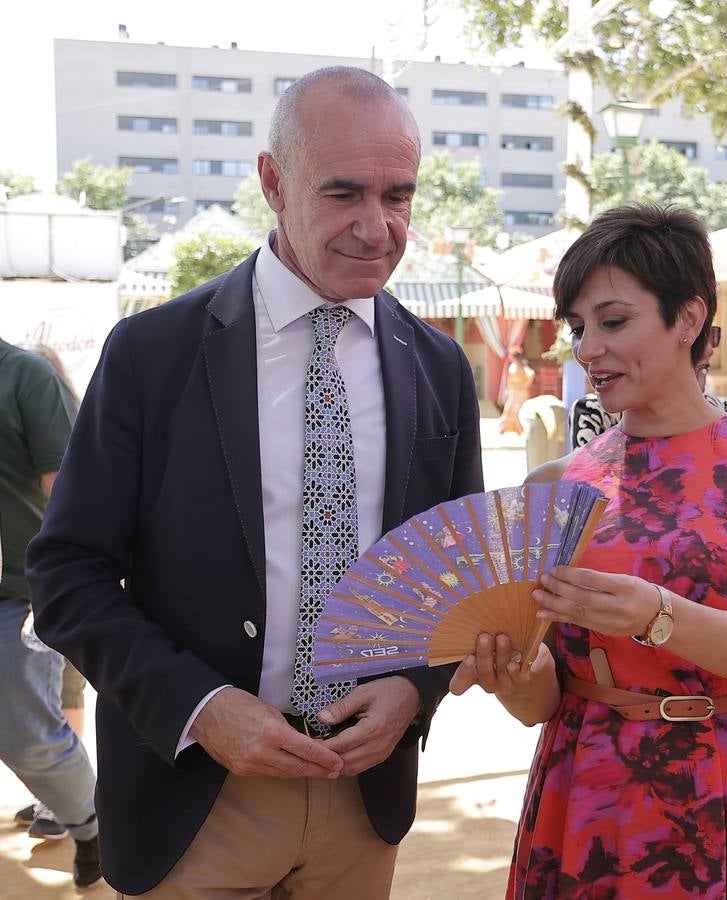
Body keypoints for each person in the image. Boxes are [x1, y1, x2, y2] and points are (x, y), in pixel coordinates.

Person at [27, 66, 483, 898]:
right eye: (344, 192)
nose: (377, 227)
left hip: (362, 801)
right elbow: (66, 577)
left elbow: (449, 577)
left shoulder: (440, 367)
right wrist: (202, 708)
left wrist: (412, 691)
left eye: (399, 196)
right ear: (273, 181)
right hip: (195, 801)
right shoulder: (150, 354)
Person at [450, 204, 727, 897]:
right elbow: (542, 702)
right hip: (588, 782)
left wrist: (653, 613)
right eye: (577, 327)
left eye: (613, 320)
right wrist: (511, 672)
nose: (586, 348)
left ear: (687, 319)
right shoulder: (551, 487)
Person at [0, 337, 101, 887]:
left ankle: (89, 822)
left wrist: (63, 588)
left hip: (21, 590)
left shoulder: (26, 377)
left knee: (29, 729)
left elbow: (70, 494)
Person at [13, 342, 88, 843]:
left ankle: (68, 805)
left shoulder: (54, 414)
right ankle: (60, 799)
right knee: (59, 693)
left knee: (63, 691)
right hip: (41, 580)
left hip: (52, 582)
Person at [569, 324, 727, 450]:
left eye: (703, 369)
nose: (710, 349)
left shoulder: (723, 415)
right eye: (577, 330)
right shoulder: (594, 413)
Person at [498, 347, 536, 434]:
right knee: (509, 409)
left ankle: (520, 429)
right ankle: (505, 428)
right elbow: (509, 379)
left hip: (520, 392)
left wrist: (526, 385)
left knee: (519, 410)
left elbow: (531, 374)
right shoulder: (512, 366)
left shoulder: (523, 366)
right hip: (513, 391)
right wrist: (508, 388)